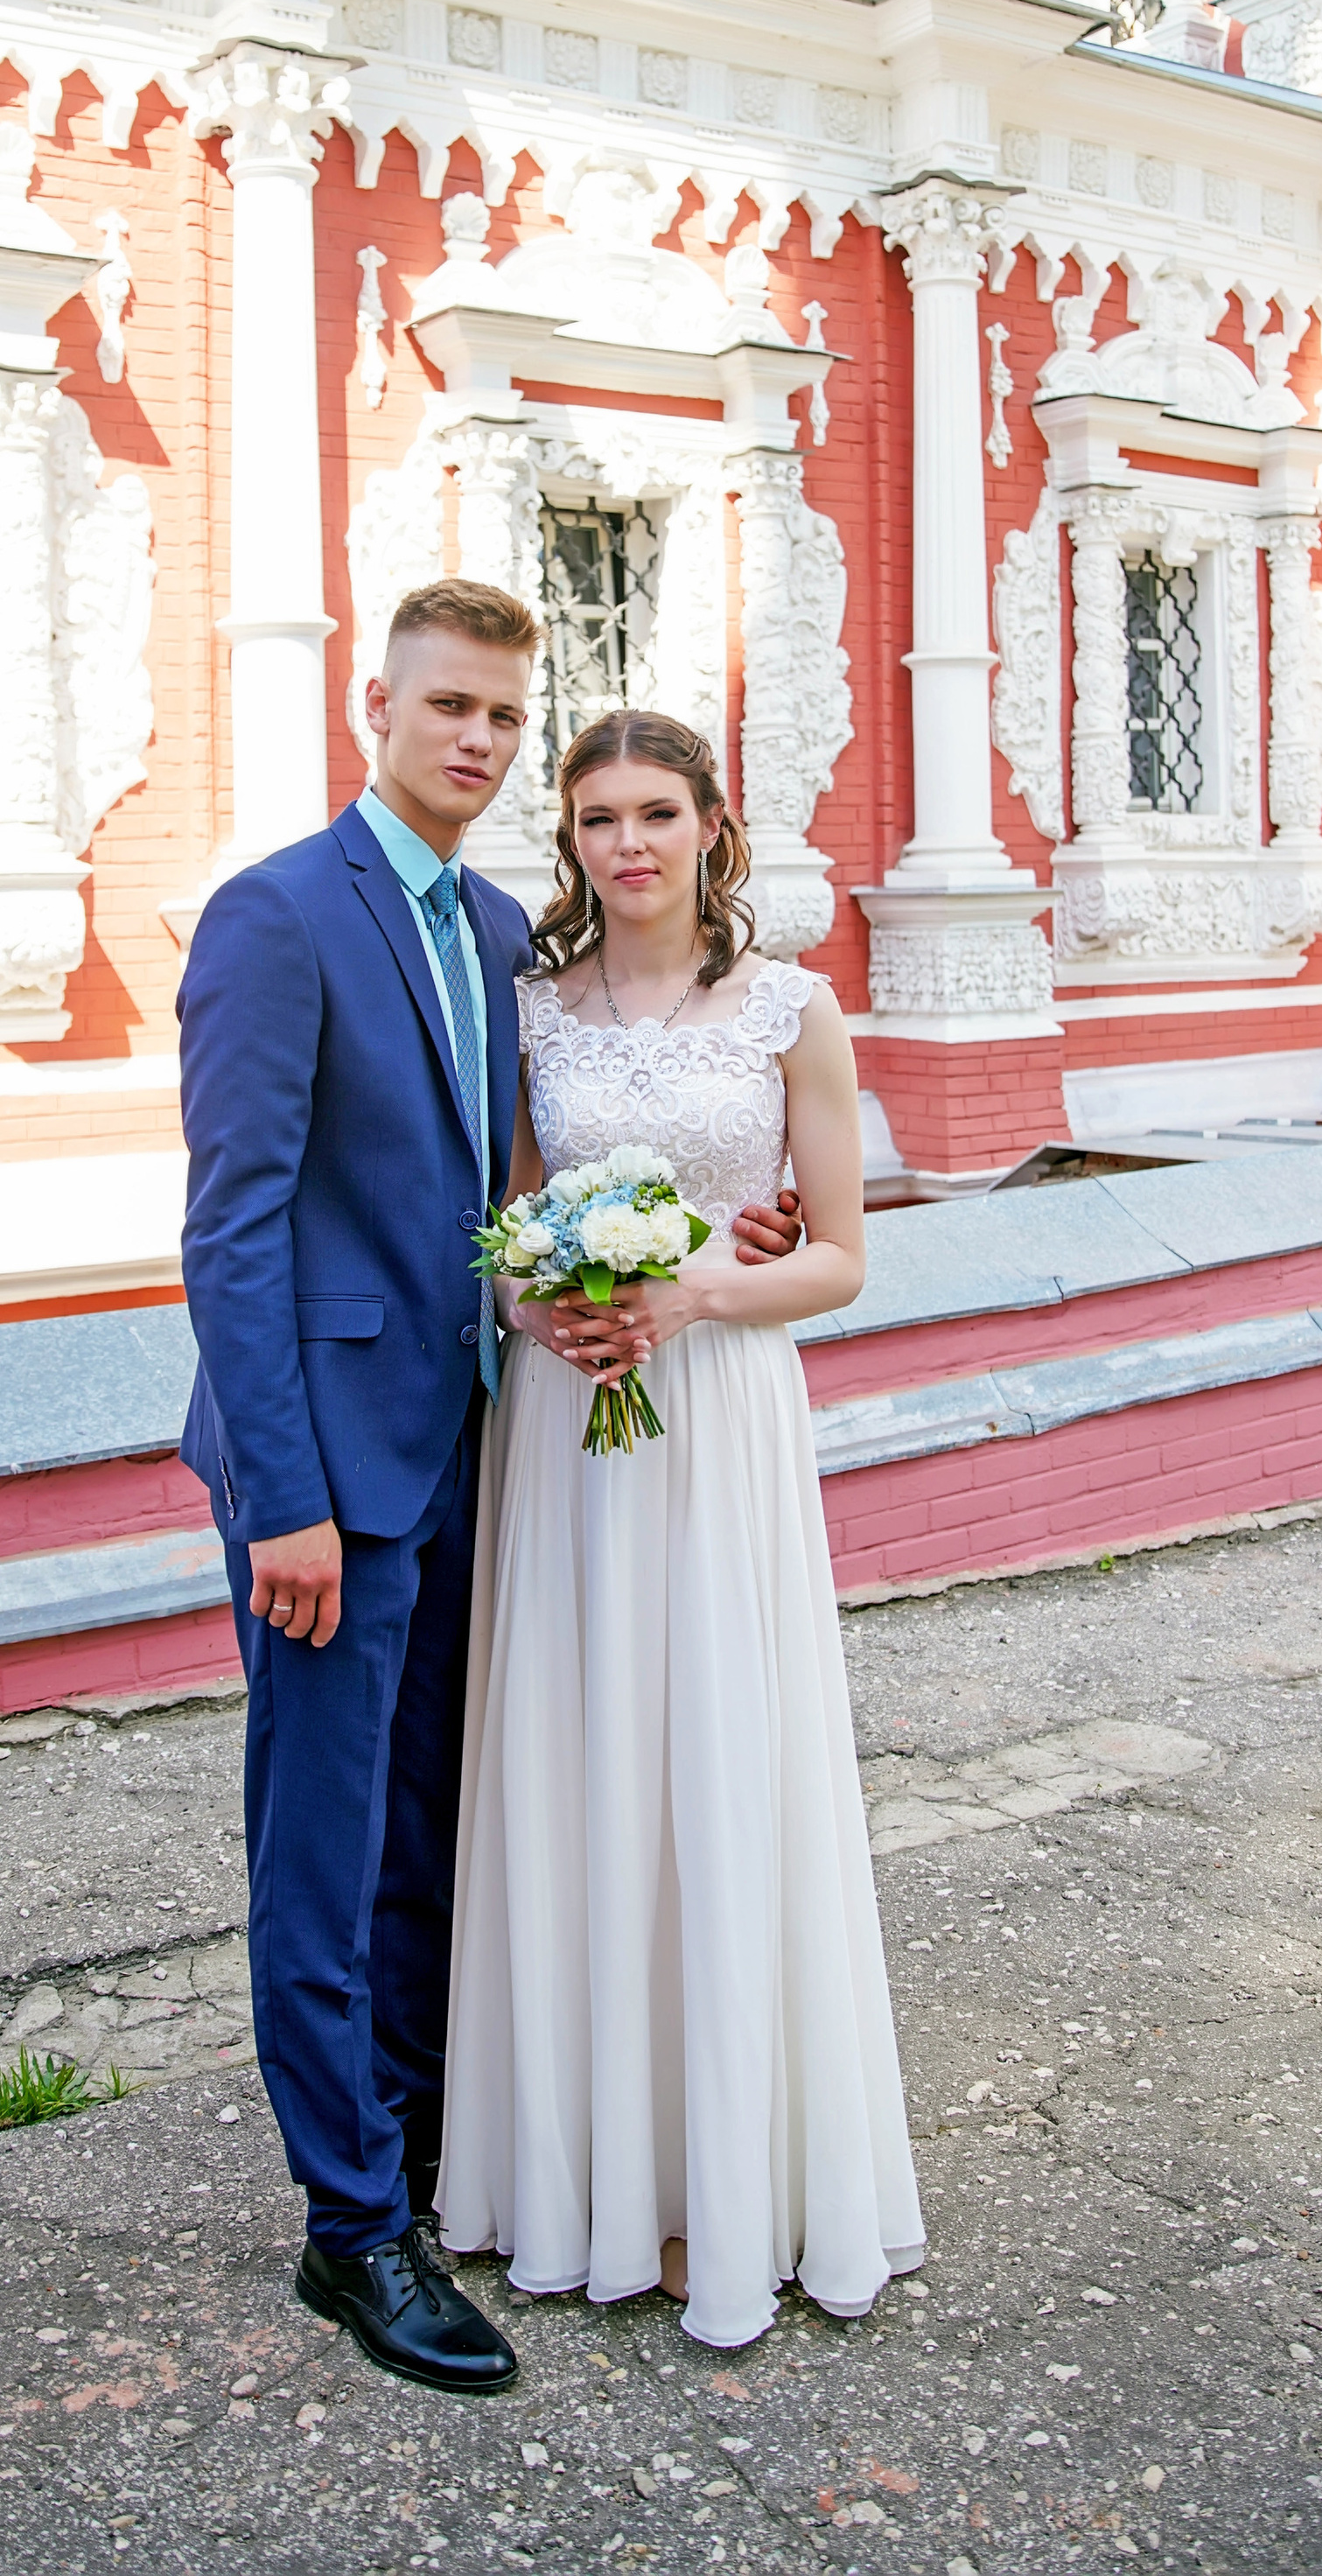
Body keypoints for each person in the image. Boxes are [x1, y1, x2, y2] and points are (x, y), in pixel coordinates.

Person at [175, 582, 802, 2398]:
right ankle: (347, 2229)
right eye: (446, 704)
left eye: (501, 719)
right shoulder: (280, 912)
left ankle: (430, 2148)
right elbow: (231, 1230)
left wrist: (707, 1232)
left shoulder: (478, 927)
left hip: (486, 1449)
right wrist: (280, 1493)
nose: (474, 738)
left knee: (434, 1832)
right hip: (332, 1478)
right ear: (375, 702)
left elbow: (520, 1191)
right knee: (320, 1843)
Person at [439, 708, 925, 2349]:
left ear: (716, 826)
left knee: (720, 1757)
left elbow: (841, 1258)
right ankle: (583, 2174)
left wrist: (695, 1286)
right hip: (572, 1425)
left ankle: (736, 2177)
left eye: (657, 812)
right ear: (567, 840)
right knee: (579, 1762)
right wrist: (545, 1302)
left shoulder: (796, 1008)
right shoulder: (529, 1014)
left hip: (718, 1419)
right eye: (596, 817)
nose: (627, 843)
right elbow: (507, 1220)